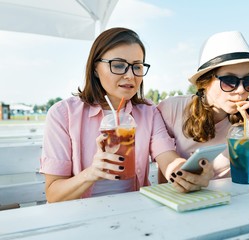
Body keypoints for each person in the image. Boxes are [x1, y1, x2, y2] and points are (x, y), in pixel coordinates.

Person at [40, 27, 214, 203]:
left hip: (133, 211)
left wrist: (187, 173)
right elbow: (53, 194)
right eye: (118, 65)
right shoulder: (63, 114)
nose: (130, 75)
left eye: (137, 67)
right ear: (95, 69)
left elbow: (167, 159)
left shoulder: (148, 112)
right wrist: (91, 173)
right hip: (79, 216)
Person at [157, 31, 249, 181]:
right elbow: (164, 168)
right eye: (229, 80)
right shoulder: (172, 109)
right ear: (204, 82)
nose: (241, 90)